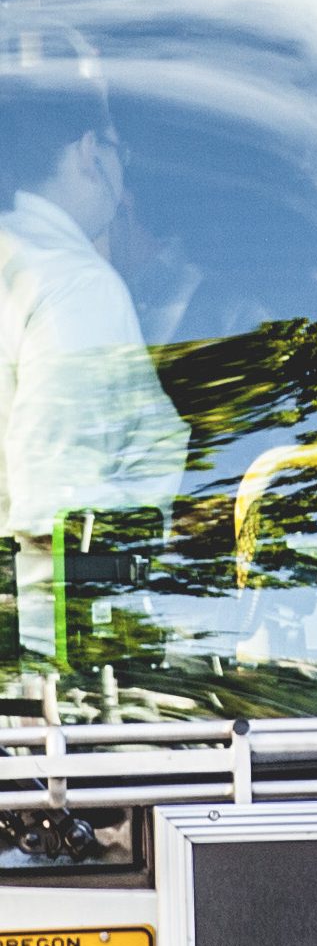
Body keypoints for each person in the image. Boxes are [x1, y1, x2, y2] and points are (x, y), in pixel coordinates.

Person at [0, 61, 189, 648]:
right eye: (118, 151)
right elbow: (56, 507)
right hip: (39, 644)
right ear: (89, 152)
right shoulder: (77, 284)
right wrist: (43, 672)